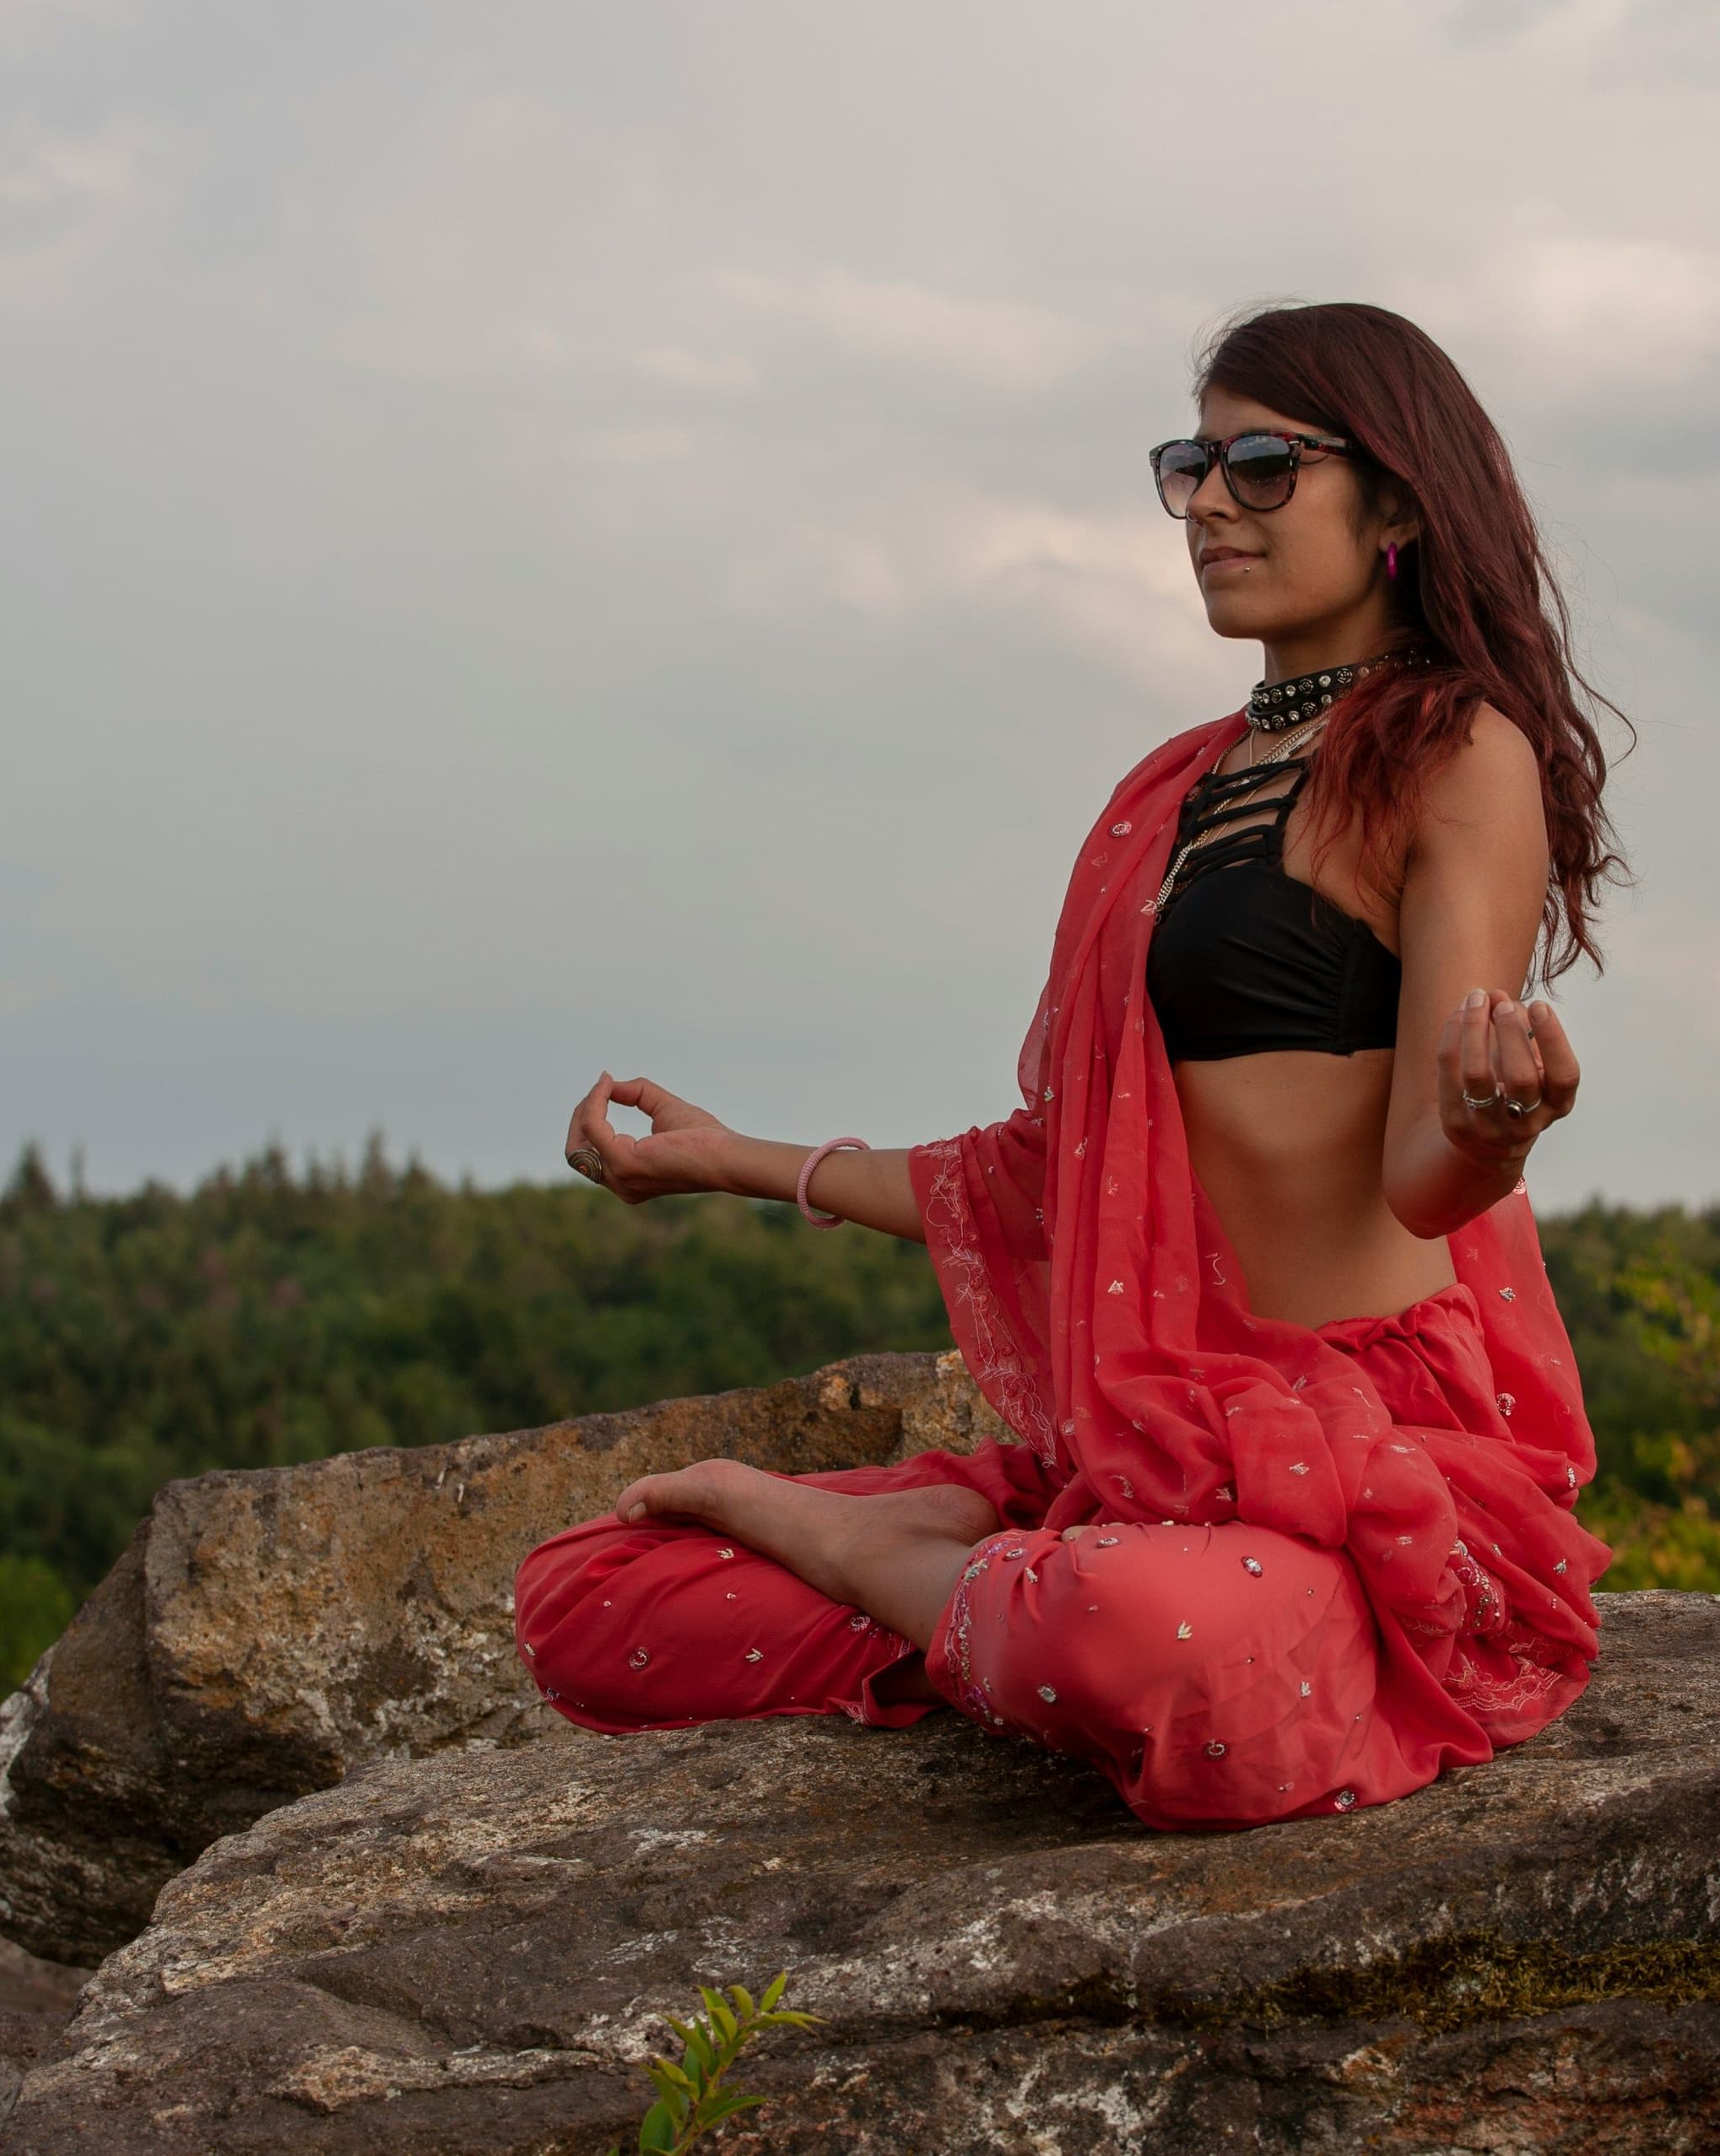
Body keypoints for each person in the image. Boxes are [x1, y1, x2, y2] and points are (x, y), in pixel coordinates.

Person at [515, 301, 1626, 1830]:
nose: (1212, 507)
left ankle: (908, 1572)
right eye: (1194, 466)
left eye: (1263, 465)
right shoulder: (1173, 791)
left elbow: (1421, 1179)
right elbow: (1050, 1173)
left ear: (1399, 506)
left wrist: (1495, 1132)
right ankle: (996, 1604)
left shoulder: (1449, 757)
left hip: (1354, 1455)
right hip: (1160, 1452)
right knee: (595, 1593)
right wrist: (730, 1159)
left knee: (1164, 1642)